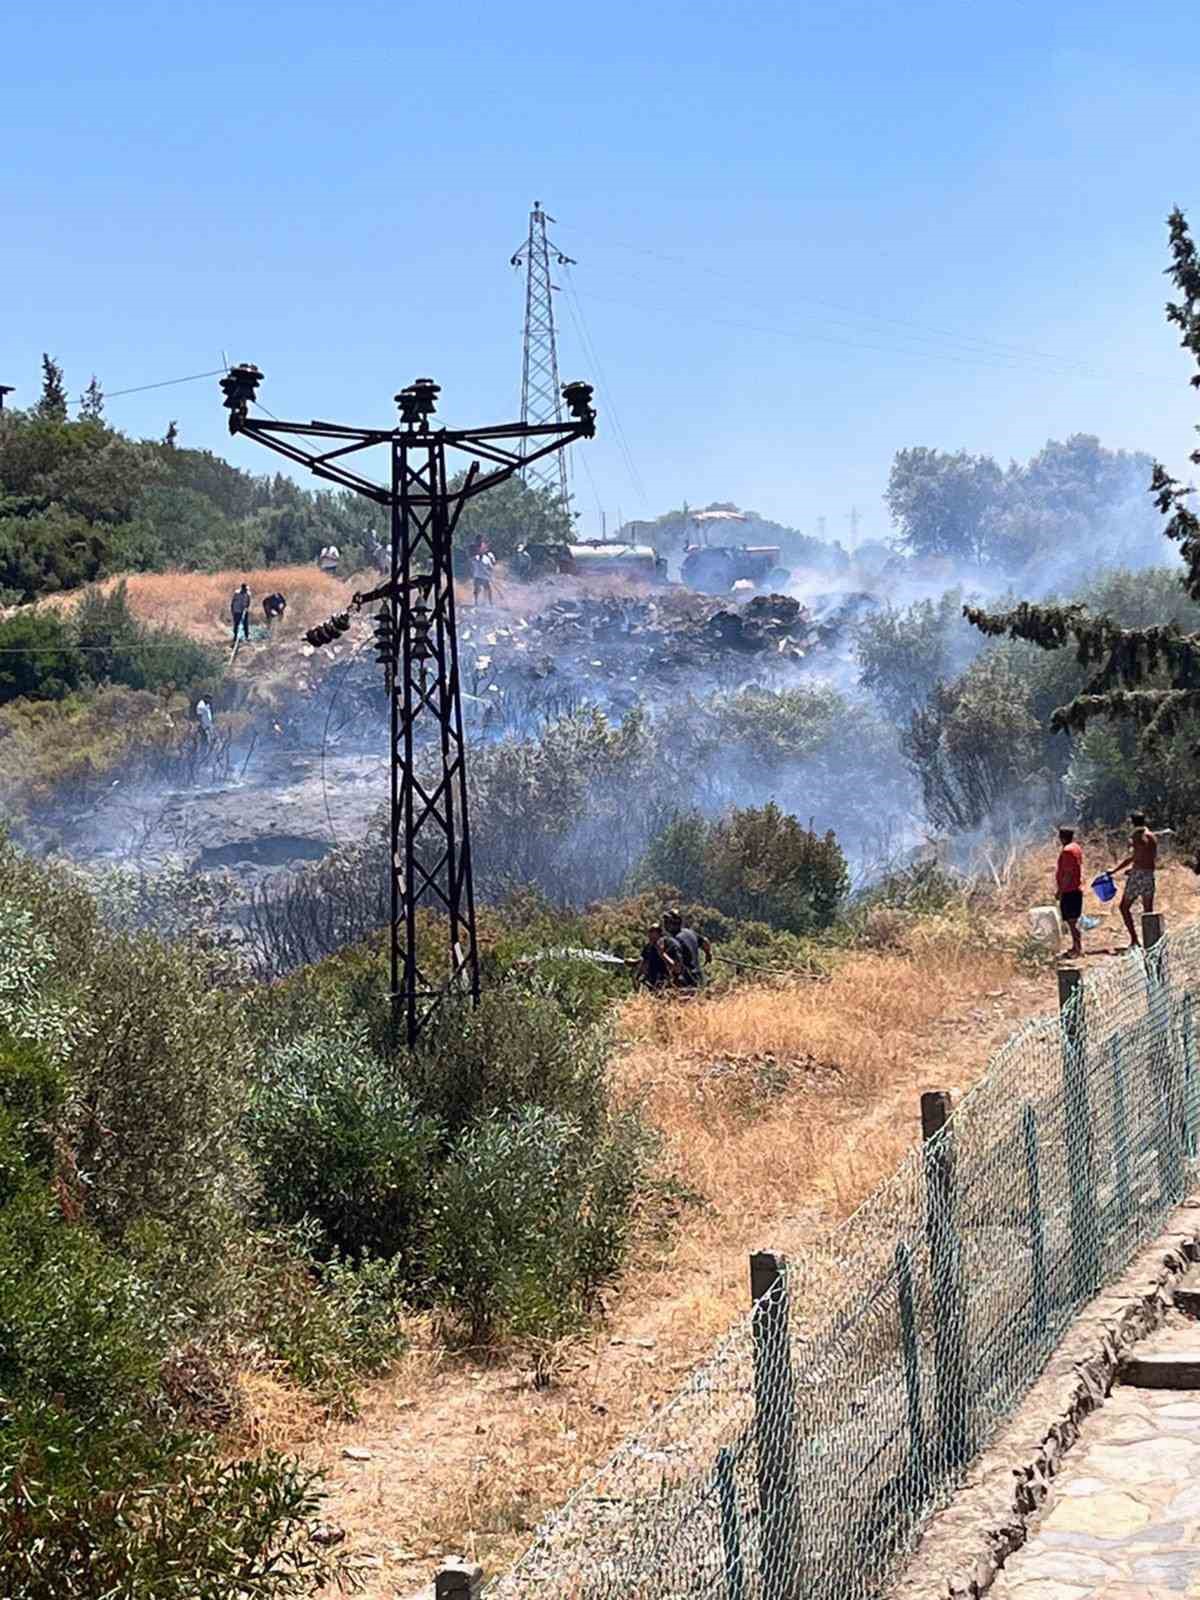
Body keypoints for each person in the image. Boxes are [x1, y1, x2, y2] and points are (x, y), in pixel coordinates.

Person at [1110, 812, 1158, 949]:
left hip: (1138, 875)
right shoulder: (1153, 836)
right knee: (1148, 911)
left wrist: (1115, 870)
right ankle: (1152, 943)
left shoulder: (1137, 836)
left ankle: (1134, 940)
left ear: (1132, 822)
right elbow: (1148, 857)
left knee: (1124, 907)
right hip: (1149, 874)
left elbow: (1134, 857)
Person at [664, 907, 712, 989]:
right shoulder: (690, 932)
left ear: (672, 923)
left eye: (667, 922)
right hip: (699, 977)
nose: (665, 924)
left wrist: (662, 954)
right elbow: (705, 941)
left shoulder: (674, 941)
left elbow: (677, 966)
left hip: (688, 980)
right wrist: (708, 954)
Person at [1055, 827, 1084, 959]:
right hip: (1075, 889)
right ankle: (1076, 947)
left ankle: (1077, 949)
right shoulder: (1076, 847)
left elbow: (1067, 873)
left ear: (1062, 837)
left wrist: (1060, 891)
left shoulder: (1067, 851)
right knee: (1073, 921)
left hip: (1070, 891)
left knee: (1072, 922)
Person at [633, 923, 679, 992]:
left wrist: (662, 954)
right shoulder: (648, 947)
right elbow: (643, 963)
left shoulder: (669, 944)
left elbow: (675, 967)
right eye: (649, 932)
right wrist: (635, 965)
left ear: (659, 934)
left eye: (653, 932)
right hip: (652, 985)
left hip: (667, 985)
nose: (650, 935)